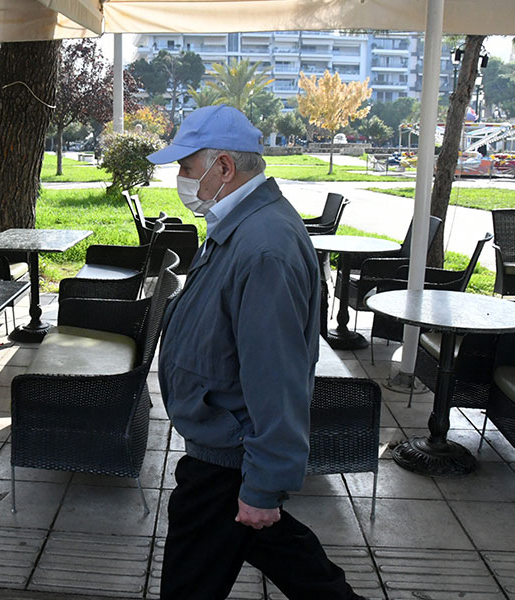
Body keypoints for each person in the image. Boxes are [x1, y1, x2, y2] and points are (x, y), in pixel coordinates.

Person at [149, 105, 364, 600]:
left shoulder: (264, 246)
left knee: (191, 584)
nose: (180, 179)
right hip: (225, 445)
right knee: (289, 558)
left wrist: (263, 484)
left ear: (223, 167)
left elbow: (278, 375)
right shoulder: (240, 224)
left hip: (229, 456)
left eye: (186, 166)